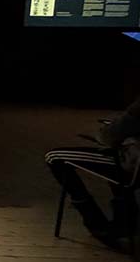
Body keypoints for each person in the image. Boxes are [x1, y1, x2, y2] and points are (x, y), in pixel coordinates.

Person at [45, 93, 140, 250]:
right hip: (133, 165)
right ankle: (125, 222)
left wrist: (105, 131)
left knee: (54, 157)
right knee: (113, 157)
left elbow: (108, 136)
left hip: (133, 165)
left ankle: (94, 221)